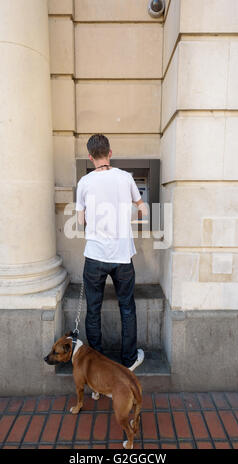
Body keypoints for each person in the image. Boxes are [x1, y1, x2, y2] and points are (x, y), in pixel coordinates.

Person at [75, 134, 146, 371]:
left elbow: (80, 219)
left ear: (90, 156)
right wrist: (135, 216)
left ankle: (95, 365)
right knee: (127, 307)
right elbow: (141, 207)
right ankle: (129, 360)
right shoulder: (126, 178)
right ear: (110, 153)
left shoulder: (84, 182)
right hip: (122, 256)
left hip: (94, 256)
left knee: (93, 310)